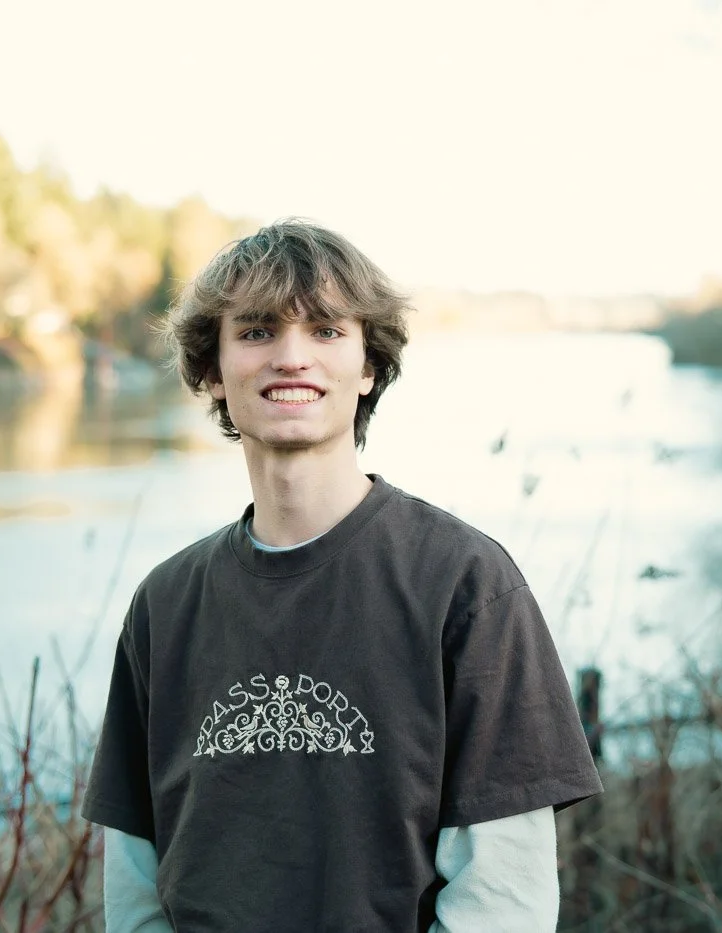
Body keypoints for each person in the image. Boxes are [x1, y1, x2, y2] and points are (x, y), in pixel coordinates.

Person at [82, 220, 602, 932]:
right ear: (212, 367)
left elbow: (504, 898)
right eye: (258, 331)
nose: (292, 357)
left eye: (326, 331)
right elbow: (135, 884)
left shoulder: (466, 585)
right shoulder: (165, 604)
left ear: (367, 367)